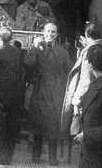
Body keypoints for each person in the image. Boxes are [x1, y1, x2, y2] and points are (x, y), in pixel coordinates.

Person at [25, 23, 72, 166]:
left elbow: (69, 69)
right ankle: (36, 154)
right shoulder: (37, 48)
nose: (50, 34)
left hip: (56, 91)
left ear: (57, 35)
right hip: (40, 89)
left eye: (53, 32)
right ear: (43, 33)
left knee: (53, 123)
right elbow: (28, 62)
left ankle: (52, 156)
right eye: (48, 31)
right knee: (38, 122)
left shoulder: (63, 52)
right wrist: (34, 47)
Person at [61, 21, 102, 137]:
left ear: (87, 35)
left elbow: (85, 81)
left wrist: (76, 101)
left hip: (91, 99)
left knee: (86, 136)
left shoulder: (90, 52)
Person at [0, 27, 25, 165]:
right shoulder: (18, 52)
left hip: (1, 94)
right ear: (12, 38)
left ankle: (0, 157)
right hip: (15, 93)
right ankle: (9, 157)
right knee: (12, 126)